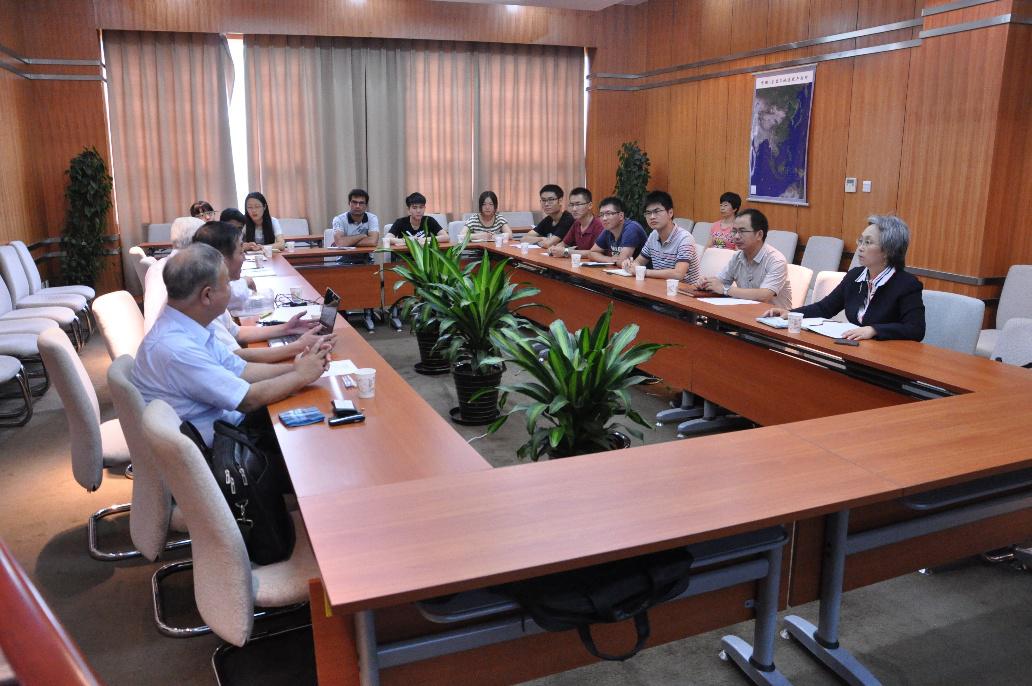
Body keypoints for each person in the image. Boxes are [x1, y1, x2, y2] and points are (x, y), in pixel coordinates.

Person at [132, 243, 331, 447]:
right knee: (316, 436)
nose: (233, 288)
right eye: (227, 283)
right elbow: (247, 400)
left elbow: (241, 370)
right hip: (222, 447)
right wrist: (300, 376)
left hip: (228, 426)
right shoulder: (177, 348)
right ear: (207, 295)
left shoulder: (190, 326)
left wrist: (298, 368)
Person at [763, 215, 925, 341]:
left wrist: (874, 330)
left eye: (868, 243)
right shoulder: (855, 276)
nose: (860, 248)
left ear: (888, 251)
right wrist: (790, 313)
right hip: (855, 352)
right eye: (860, 241)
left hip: (887, 359)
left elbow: (916, 329)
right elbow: (825, 308)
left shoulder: (906, 285)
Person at [192, 221, 333, 361]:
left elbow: (237, 332)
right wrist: (298, 346)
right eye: (241, 252)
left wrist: (287, 328)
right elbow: (234, 358)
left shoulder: (212, 289)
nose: (244, 258)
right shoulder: (206, 301)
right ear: (221, 259)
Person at [697, 208, 792, 308]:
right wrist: (706, 282)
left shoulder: (776, 260)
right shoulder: (737, 257)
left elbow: (764, 296)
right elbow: (719, 282)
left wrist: (725, 289)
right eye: (734, 231)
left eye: (742, 231)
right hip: (745, 312)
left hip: (774, 316)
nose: (736, 236)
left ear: (759, 235)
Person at [621, 190, 699, 283]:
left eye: (657, 211)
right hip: (660, 287)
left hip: (685, 290)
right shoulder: (653, 235)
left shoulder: (685, 238)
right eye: (648, 213)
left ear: (670, 213)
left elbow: (678, 274)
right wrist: (631, 265)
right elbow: (639, 262)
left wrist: (644, 272)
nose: (652, 217)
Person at [143, 216, 204, 333]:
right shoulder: (192, 268)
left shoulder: (157, 266)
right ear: (199, 241)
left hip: (156, 333)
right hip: (178, 335)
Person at [585, 196, 647, 262]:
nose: (604, 218)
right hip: (619, 268)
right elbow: (591, 253)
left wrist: (615, 260)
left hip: (641, 268)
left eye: (608, 213)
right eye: (601, 214)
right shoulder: (608, 230)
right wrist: (609, 259)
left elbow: (623, 261)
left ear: (621, 216)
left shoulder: (632, 228)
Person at [546, 187, 604, 257]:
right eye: (571, 205)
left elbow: (595, 253)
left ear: (590, 205)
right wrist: (553, 249)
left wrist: (566, 252)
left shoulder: (600, 225)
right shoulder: (577, 223)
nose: (574, 209)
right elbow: (563, 244)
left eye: (578, 204)